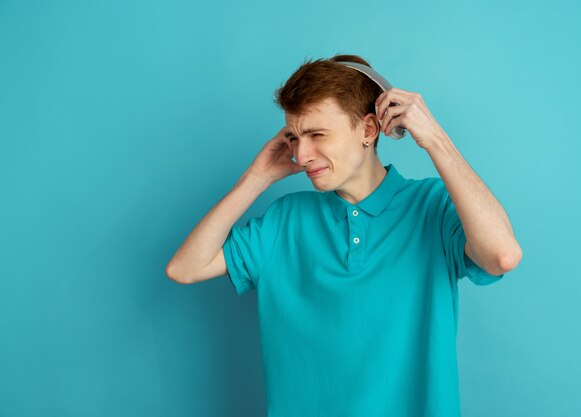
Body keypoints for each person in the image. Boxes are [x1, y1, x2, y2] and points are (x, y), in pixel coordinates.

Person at [166, 54, 522, 417]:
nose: (302, 155)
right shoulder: (286, 220)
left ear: (368, 130)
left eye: (317, 134)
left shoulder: (431, 206)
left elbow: (501, 256)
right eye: (293, 137)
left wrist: (435, 140)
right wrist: (254, 180)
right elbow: (185, 268)